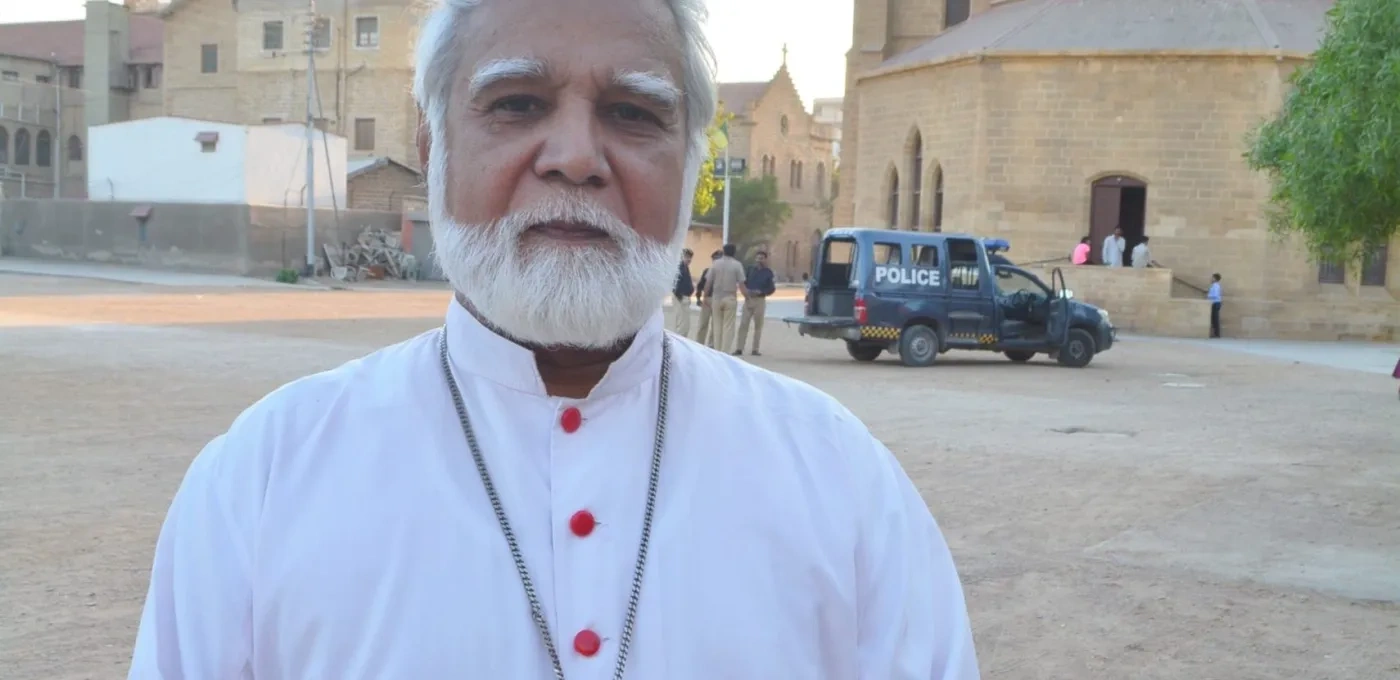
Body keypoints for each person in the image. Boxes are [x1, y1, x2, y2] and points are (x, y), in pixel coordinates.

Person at [126, 0, 979, 677]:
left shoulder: (839, 481)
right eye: (517, 104)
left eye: (634, 114)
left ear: (690, 165)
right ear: (432, 150)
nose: (575, 155)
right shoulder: (267, 478)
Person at [705, 243, 746, 352]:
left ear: (724, 251)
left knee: (717, 325)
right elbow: (741, 284)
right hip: (730, 297)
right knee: (728, 326)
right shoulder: (737, 265)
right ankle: (725, 350)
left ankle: (717, 349)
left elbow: (708, 282)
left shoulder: (715, 264)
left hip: (717, 297)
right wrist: (747, 296)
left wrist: (705, 297)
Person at [733, 249, 774, 356]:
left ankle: (755, 349)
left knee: (758, 325)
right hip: (748, 299)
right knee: (743, 324)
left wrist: (761, 292)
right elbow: (743, 282)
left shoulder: (768, 273)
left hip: (760, 300)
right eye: (757, 258)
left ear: (765, 259)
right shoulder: (750, 270)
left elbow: (771, 288)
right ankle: (739, 348)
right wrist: (746, 292)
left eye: (761, 258)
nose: (759, 260)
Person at [693, 249, 721, 346]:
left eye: (718, 259)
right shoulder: (707, 271)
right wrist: (698, 298)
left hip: (719, 299)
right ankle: (699, 343)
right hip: (708, 299)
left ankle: (711, 344)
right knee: (703, 323)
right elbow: (700, 285)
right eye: (714, 259)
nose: (716, 261)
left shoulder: (723, 273)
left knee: (715, 325)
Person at [670, 248, 694, 335]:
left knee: (684, 324)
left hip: (683, 297)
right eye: (686, 257)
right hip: (681, 298)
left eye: (690, 257)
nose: (689, 259)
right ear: (681, 256)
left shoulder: (684, 267)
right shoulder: (680, 267)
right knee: (682, 325)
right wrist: (680, 296)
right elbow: (675, 283)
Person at [1207, 273, 1223, 338]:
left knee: (1215, 319)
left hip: (1215, 303)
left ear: (1215, 279)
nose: (1211, 279)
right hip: (1215, 303)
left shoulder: (1215, 286)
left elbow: (1215, 295)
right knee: (1213, 319)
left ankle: (1217, 334)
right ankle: (1215, 334)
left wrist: (1209, 296)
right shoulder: (1214, 285)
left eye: (1212, 278)